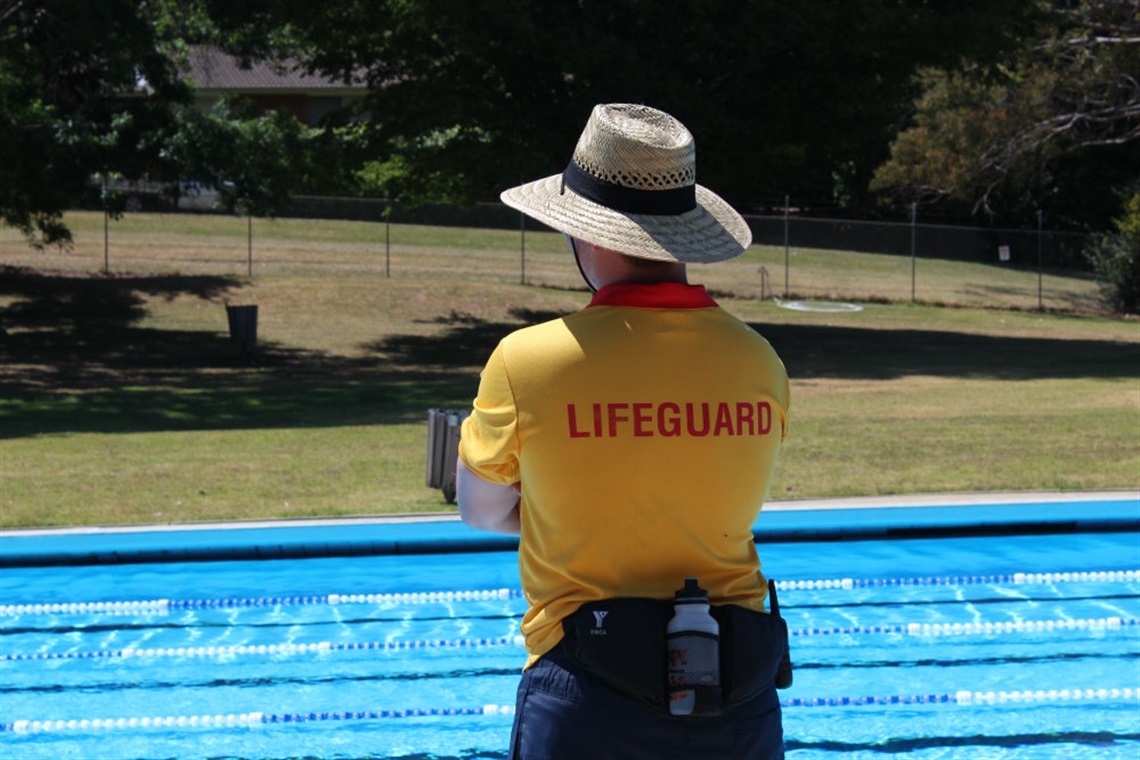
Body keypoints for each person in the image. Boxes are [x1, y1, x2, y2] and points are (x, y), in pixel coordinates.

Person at [456, 103, 791, 759]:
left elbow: (480, 510)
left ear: (592, 236)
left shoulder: (528, 362)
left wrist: (566, 512)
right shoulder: (759, 361)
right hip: (739, 687)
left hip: (587, 687)